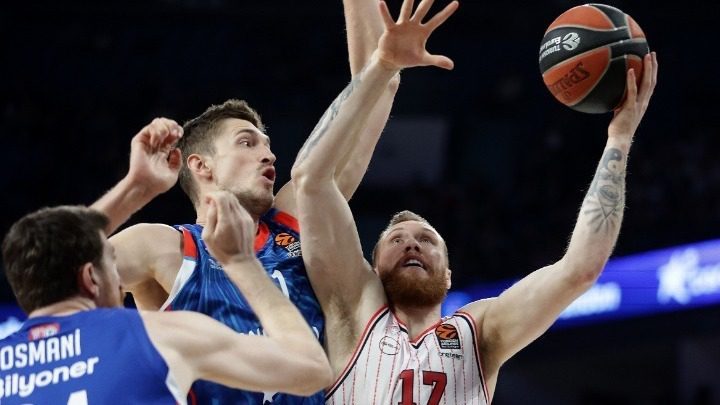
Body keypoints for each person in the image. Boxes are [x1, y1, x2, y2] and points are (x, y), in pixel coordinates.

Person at [290, 0, 660, 402]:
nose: (412, 244)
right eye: (396, 240)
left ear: (449, 275)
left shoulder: (480, 332)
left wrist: (619, 139)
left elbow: (580, 270)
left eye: (426, 240)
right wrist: (380, 66)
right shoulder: (352, 310)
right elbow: (311, 181)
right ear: (372, 268)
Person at [107, 1, 400, 403]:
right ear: (201, 165)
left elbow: (374, 93)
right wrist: (134, 190)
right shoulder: (163, 245)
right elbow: (64, 276)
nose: (269, 155)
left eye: (267, 145)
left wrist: (384, 58)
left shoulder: (292, 220)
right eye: (247, 143)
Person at [0, 119, 332, 404]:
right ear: (90, 278)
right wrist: (241, 262)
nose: (121, 286)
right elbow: (311, 369)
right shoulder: (158, 336)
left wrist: (136, 188)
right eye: (112, 265)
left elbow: (53, 261)